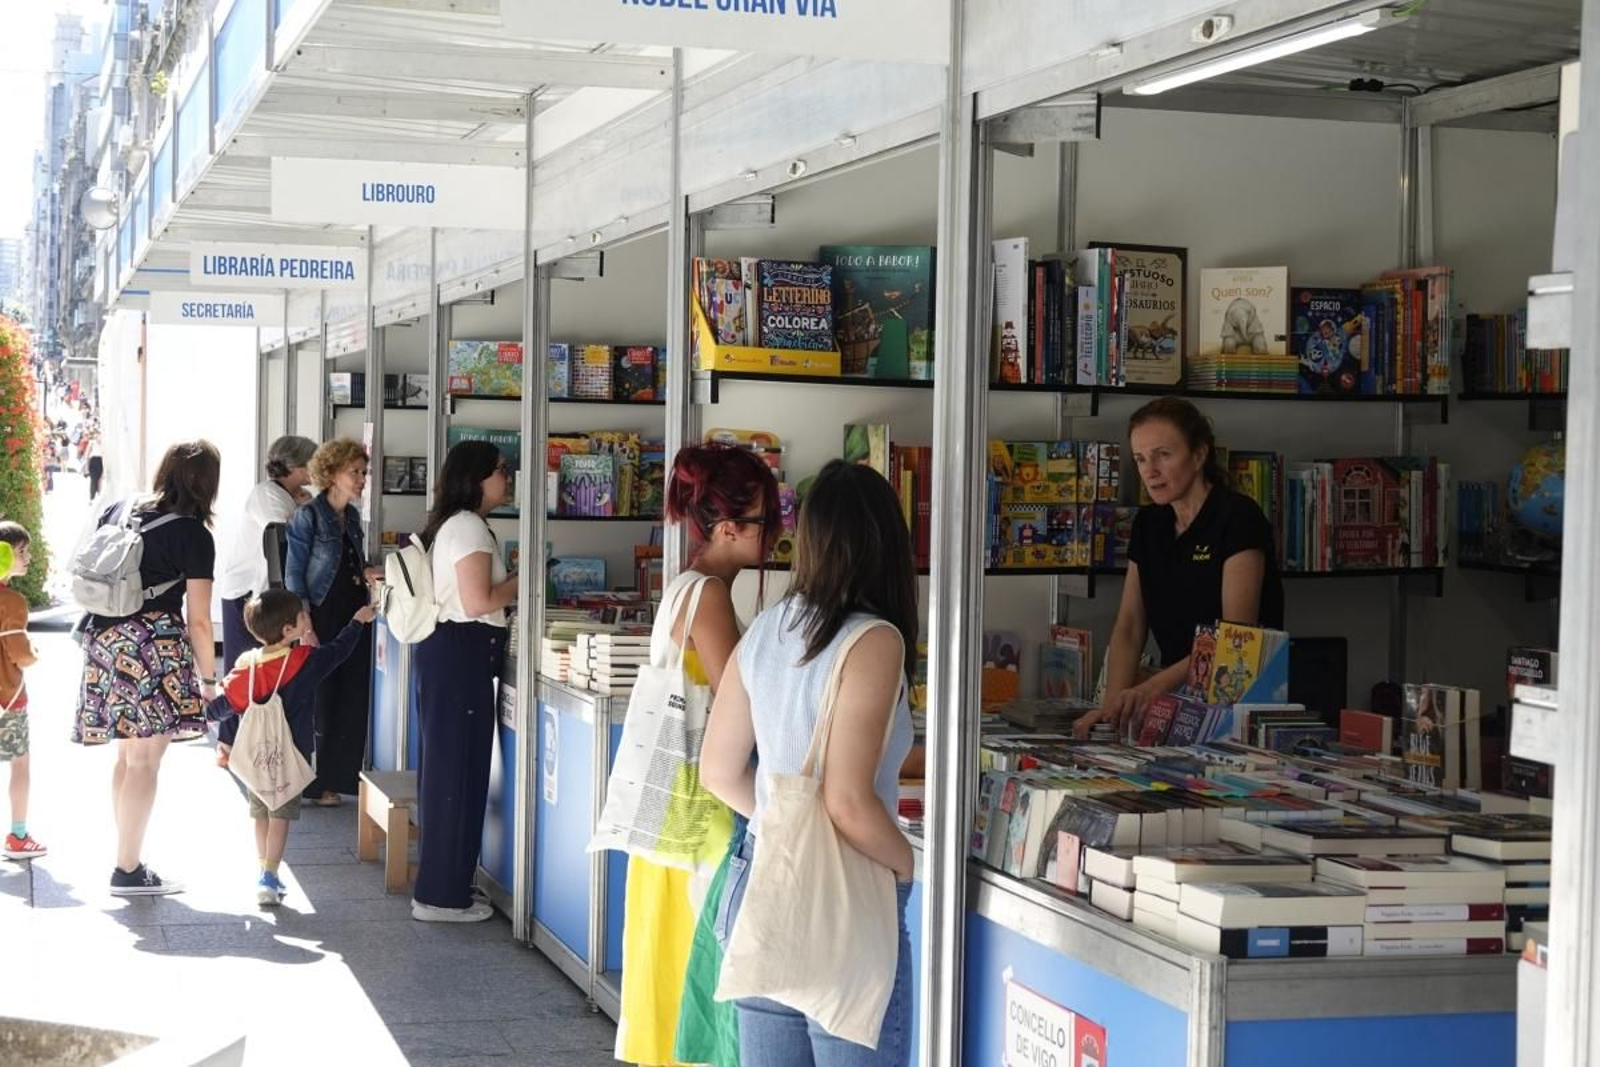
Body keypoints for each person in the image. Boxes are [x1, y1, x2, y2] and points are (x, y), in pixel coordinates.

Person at [702, 459, 917, 1066]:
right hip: (843, 905)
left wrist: (779, 819)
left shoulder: (768, 627)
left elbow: (718, 770)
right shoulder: (874, 640)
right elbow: (846, 802)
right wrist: (907, 865)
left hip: (766, 892)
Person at [615, 442, 780, 1067]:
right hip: (708, 814)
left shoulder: (691, 587)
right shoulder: (710, 596)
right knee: (706, 963)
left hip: (680, 810)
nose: (776, 535)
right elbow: (746, 709)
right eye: (767, 521)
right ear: (729, 527)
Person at [1074, 397, 1285, 738]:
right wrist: (1112, 710)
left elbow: (1235, 636)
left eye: (1163, 455)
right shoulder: (1149, 523)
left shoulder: (1237, 517)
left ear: (1199, 455)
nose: (1149, 470)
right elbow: (1129, 627)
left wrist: (1150, 688)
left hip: (1237, 705)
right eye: (1141, 458)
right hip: (1174, 706)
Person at [76, 440, 222, 896]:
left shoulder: (121, 508)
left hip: (103, 638)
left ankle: (127, 855)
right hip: (151, 646)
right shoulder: (193, 533)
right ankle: (127, 868)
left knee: (127, 756)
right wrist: (209, 681)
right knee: (144, 761)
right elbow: (200, 619)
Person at [209, 589, 376, 906]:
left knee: (260, 813)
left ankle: (264, 869)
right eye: (302, 616)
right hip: (290, 753)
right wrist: (357, 621)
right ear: (288, 630)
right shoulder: (303, 661)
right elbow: (338, 651)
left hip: (255, 756)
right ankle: (269, 876)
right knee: (280, 815)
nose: (306, 618)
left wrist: (194, 713)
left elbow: (223, 706)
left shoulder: (249, 665)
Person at [411, 440, 520, 922]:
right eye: (501, 470)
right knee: (457, 774)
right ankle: (441, 895)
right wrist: (528, 577)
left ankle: (446, 884)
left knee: (452, 770)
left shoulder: (458, 525)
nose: (508, 477)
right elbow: (479, 602)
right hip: (462, 654)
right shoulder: (469, 527)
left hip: (453, 656)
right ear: (477, 477)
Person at [285, 437, 381, 807]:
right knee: (323, 697)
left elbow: (350, 564)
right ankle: (315, 782)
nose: (361, 479)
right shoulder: (308, 516)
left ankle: (339, 778)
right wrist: (304, 623)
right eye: (354, 472)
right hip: (323, 614)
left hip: (354, 612)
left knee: (352, 696)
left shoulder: (352, 518)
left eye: (363, 472)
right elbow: (295, 574)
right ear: (331, 474)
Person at [218, 435, 318, 673]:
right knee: (247, 671)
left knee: (268, 670)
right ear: (294, 465)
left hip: (267, 593)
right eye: (312, 461)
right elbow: (286, 535)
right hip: (248, 594)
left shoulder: (287, 496)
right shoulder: (267, 494)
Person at [0, 525, 43, 860]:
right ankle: (17, 835)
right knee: (19, 765)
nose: (28, 558)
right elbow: (21, 654)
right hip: (8, 697)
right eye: (21, 552)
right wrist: (34, 652)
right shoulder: (12, 602)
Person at [86, 431, 105, 499]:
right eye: (98, 435)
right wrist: (86, 466)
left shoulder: (103, 444)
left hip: (100, 461)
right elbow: (87, 454)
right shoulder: (92, 442)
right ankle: (92, 497)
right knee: (93, 479)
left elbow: (104, 455)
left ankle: (98, 495)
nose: (99, 437)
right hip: (93, 461)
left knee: (100, 480)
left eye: (100, 435)